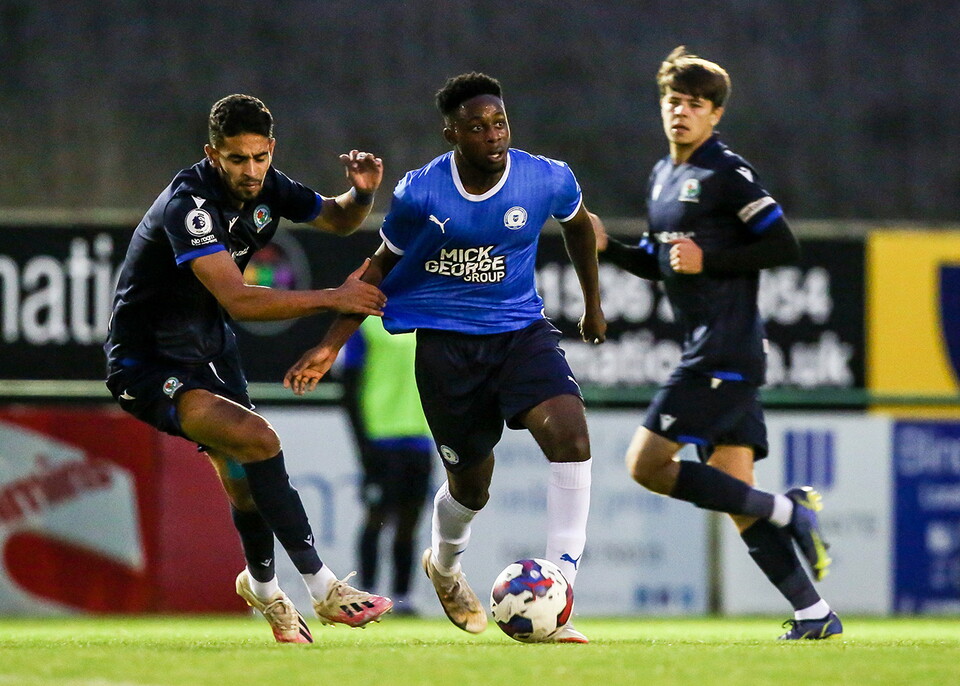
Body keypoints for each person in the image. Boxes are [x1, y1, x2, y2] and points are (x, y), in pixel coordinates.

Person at [284, 72, 606, 643]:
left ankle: (561, 586)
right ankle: (446, 565)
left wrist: (593, 305)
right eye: (477, 126)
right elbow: (378, 269)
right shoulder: (422, 193)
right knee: (471, 488)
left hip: (520, 333)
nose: (493, 134)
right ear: (452, 133)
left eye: (499, 122)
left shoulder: (544, 178)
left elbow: (580, 228)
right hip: (446, 346)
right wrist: (330, 343)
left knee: (572, 437)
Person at [103, 94, 394, 644]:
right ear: (213, 154)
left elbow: (338, 218)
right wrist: (337, 297)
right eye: (237, 159)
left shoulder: (266, 185)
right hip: (147, 364)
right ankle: (323, 586)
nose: (251, 170)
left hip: (210, 350)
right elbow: (240, 300)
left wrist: (362, 192)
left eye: (259, 157)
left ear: (271, 150)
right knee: (259, 440)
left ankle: (262, 588)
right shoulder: (187, 205)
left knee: (243, 481)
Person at [593, 47, 841, 640]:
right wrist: (612, 250)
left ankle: (791, 511)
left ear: (716, 115)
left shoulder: (726, 173)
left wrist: (714, 259)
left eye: (695, 104)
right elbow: (663, 264)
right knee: (737, 499)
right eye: (674, 101)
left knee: (646, 464)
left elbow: (783, 245)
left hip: (724, 352)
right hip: (708, 349)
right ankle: (815, 616)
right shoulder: (663, 176)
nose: (681, 112)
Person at [341, 316, 434, 615]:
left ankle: (402, 596)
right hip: (380, 437)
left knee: (410, 519)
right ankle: (365, 594)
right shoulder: (365, 324)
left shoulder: (426, 319)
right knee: (376, 516)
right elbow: (349, 387)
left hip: (419, 436)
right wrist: (362, 445)